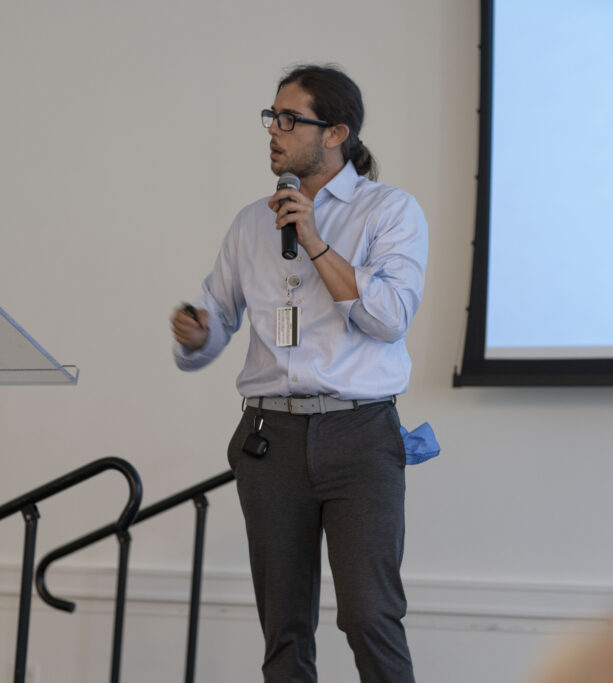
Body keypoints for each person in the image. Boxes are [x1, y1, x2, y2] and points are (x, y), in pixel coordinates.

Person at [170, 64, 427, 683]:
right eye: (272, 117)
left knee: (370, 616)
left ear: (335, 131)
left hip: (360, 435)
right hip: (270, 438)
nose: (274, 131)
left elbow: (390, 318)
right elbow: (220, 319)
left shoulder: (389, 212)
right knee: (283, 628)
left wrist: (312, 238)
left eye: (290, 119)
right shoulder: (251, 223)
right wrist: (201, 333)